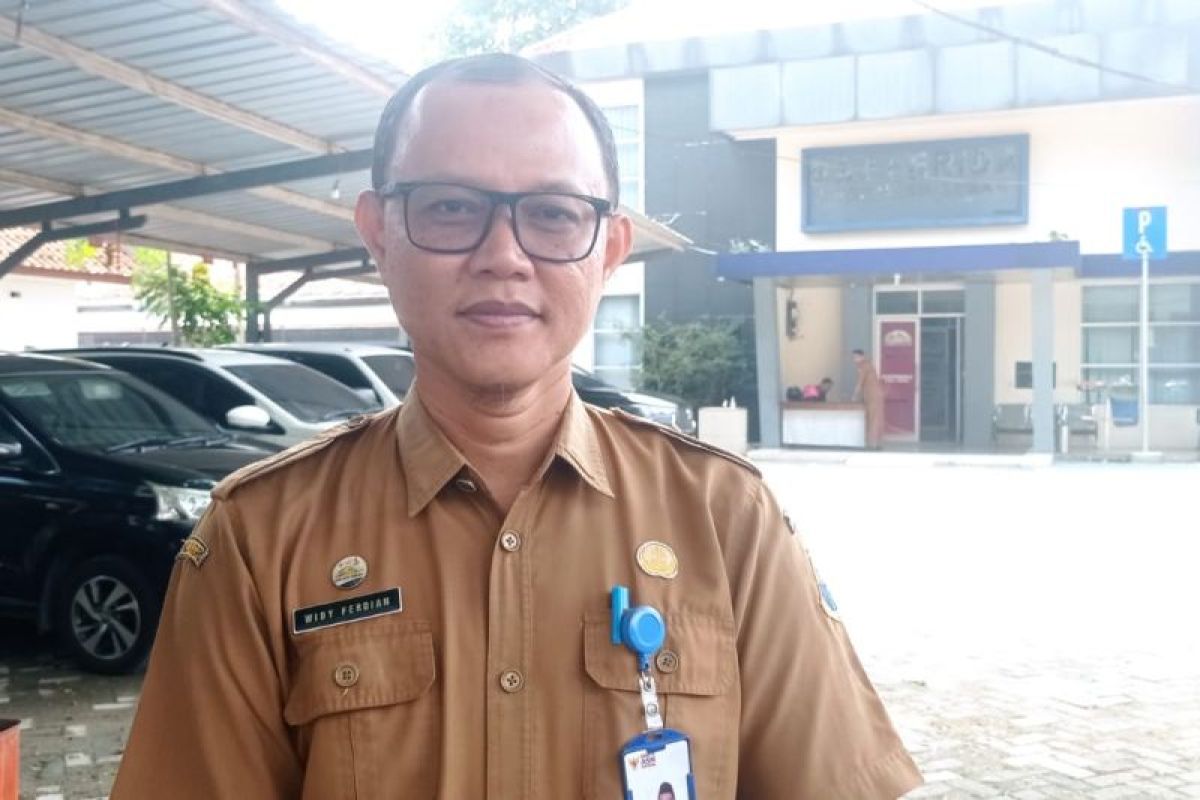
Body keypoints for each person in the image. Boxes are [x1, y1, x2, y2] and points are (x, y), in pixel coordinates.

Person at [112, 54, 921, 799]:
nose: (503, 255)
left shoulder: (726, 519)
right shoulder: (260, 539)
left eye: (554, 214)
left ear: (610, 249)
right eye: (451, 207)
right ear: (378, 232)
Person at [852, 348, 886, 448]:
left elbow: (860, 382)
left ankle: (873, 443)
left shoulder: (865, 365)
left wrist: (854, 395)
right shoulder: (865, 365)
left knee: (873, 418)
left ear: (862, 357)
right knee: (874, 418)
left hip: (873, 395)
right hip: (871, 395)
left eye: (856, 357)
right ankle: (875, 442)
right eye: (853, 357)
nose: (854, 359)